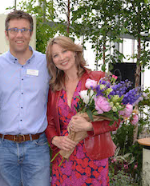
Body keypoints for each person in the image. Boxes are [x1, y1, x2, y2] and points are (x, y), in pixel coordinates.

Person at [0, 10, 51, 186]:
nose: (19, 35)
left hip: (37, 147)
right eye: (14, 30)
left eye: (24, 30)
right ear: (6, 34)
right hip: (2, 148)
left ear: (31, 33)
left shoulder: (47, 64)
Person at [45, 35, 120, 186]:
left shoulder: (98, 79)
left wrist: (89, 126)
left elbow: (116, 120)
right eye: (55, 55)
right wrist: (55, 139)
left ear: (74, 51)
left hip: (93, 157)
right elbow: (49, 122)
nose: (62, 58)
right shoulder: (54, 87)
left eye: (64, 51)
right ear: (52, 61)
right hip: (65, 155)